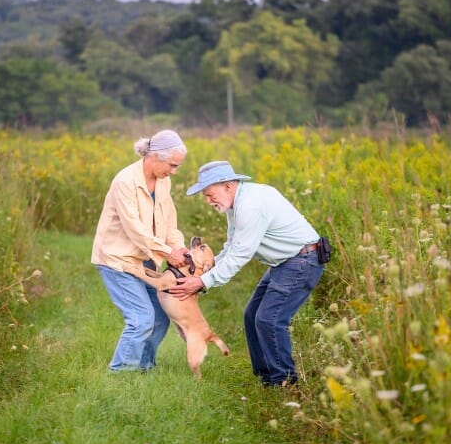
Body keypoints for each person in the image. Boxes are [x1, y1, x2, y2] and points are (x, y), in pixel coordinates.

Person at [168, 161, 325, 387]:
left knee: (269, 319)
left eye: (210, 194)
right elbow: (231, 247)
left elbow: (240, 254)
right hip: (285, 262)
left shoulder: (250, 205)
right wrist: (204, 274)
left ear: (228, 186)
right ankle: (266, 377)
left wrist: (203, 282)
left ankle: (284, 383)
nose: (208, 200)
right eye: (205, 196)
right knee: (252, 315)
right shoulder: (237, 204)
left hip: (301, 261)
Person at [92, 130, 191, 373]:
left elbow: (169, 222)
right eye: (173, 165)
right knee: (141, 318)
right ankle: (121, 373)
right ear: (155, 156)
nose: (174, 171)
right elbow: (135, 229)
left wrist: (179, 248)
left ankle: (145, 369)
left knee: (159, 317)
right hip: (118, 259)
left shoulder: (163, 181)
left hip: (147, 260)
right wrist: (168, 253)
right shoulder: (125, 181)